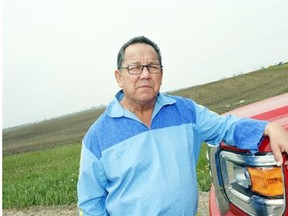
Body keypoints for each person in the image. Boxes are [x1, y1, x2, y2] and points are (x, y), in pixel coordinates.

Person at [77, 36, 288, 215]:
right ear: (119, 77)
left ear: (161, 73)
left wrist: (268, 128)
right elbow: (90, 203)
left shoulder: (185, 112)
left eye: (152, 66)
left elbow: (225, 127)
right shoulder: (98, 136)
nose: (145, 74)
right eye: (134, 68)